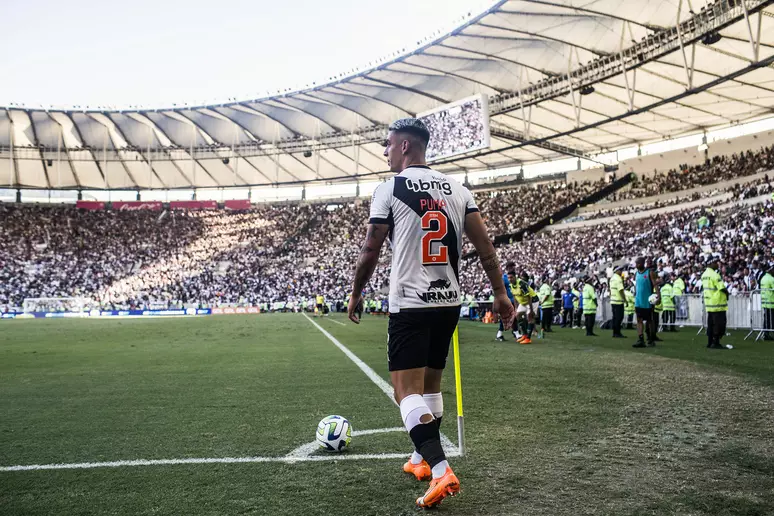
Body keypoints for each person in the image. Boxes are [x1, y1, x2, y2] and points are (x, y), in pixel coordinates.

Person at [347, 117, 515, 509]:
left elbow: (371, 249)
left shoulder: (390, 188)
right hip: (448, 302)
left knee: (405, 392)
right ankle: (421, 460)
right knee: (431, 389)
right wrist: (500, 293)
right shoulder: (458, 189)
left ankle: (441, 470)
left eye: (388, 145)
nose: (385, 152)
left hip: (411, 302)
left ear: (405, 146)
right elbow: (486, 248)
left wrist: (356, 292)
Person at [701, 256, 728, 349]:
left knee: (710, 324)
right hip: (717, 303)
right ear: (711, 263)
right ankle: (716, 342)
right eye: (715, 263)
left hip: (709, 303)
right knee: (719, 324)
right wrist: (727, 293)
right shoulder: (715, 275)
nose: (717, 264)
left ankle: (709, 342)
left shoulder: (704, 274)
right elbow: (721, 287)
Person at [633, 257, 659, 348]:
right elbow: (637, 286)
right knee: (639, 320)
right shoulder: (636, 273)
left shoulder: (649, 273)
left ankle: (651, 339)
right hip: (638, 301)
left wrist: (658, 296)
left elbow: (655, 285)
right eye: (636, 264)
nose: (636, 265)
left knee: (649, 321)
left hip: (647, 301)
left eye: (638, 263)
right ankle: (640, 339)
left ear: (642, 263)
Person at [513, 271, 537, 344]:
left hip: (532, 300)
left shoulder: (522, 284)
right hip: (524, 301)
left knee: (530, 316)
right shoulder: (512, 285)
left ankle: (528, 338)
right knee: (518, 315)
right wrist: (516, 307)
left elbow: (529, 296)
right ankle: (525, 334)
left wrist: (531, 310)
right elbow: (514, 296)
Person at [496, 262, 517, 342]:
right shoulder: (504, 277)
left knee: (513, 316)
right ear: (508, 267)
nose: (514, 269)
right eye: (512, 267)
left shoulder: (513, 277)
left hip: (513, 300)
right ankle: (515, 332)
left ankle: (514, 332)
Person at [609, 266, 626, 338]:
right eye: (620, 270)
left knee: (615, 317)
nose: (621, 272)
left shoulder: (612, 278)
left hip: (613, 300)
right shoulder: (618, 279)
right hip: (618, 301)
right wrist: (625, 299)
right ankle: (617, 333)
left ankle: (615, 332)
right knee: (619, 317)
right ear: (617, 271)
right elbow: (621, 290)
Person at [762, 262, 774, 341]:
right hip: (771, 302)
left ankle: (766, 334)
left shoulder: (763, 278)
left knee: (766, 319)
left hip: (765, 302)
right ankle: (767, 334)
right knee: (771, 319)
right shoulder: (771, 279)